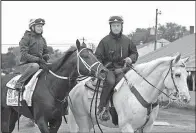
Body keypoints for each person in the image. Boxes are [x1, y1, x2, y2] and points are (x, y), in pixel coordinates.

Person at [95, 16, 139, 121]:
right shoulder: (104, 41)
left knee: (131, 81)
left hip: (124, 69)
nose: (116, 28)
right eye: (114, 25)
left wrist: (130, 58)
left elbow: (135, 53)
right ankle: (102, 108)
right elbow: (98, 57)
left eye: (118, 25)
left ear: (121, 26)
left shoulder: (127, 40)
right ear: (110, 27)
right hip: (109, 69)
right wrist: (102, 69)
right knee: (110, 82)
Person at [14, 18, 49, 91]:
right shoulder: (26, 38)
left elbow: (45, 52)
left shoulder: (42, 39)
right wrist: (38, 59)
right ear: (32, 27)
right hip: (25, 65)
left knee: (52, 67)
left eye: (41, 26)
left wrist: (46, 56)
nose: (40, 28)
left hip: (39, 63)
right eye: (38, 26)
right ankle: (19, 83)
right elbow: (24, 55)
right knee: (35, 66)